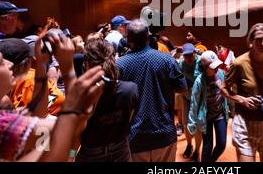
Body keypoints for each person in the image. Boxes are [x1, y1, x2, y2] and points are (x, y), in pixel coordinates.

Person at [0, 32, 106, 161]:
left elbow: (38, 114)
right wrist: (68, 69)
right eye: (1, 62)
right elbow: (69, 129)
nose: (10, 65)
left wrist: (41, 65)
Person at [117, 19, 187, 162]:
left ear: (128, 40)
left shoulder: (120, 65)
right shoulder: (167, 59)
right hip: (164, 134)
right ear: (148, 37)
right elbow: (182, 87)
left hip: (134, 137)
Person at [221, 23, 263, 162]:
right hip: (245, 122)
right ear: (251, 42)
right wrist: (241, 100)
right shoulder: (239, 63)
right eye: (259, 39)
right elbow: (223, 88)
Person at [76, 39, 138, 162]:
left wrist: (72, 154)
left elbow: (76, 135)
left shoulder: (81, 94)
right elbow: (129, 120)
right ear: (114, 59)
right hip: (120, 149)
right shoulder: (131, 89)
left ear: (87, 64)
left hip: (90, 153)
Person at [188, 51, 229, 162]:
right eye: (213, 67)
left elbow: (228, 91)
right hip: (205, 117)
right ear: (205, 67)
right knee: (207, 146)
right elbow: (194, 103)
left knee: (221, 144)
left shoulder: (221, 73)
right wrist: (192, 123)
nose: (216, 68)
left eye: (217, 65)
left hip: (220, 114)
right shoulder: (199, 81)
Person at [178, 43, 202, 160]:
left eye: (190, 55)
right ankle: (189, 145)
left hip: (199, 99)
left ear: (194, 53)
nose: (187, 58)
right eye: (185, 55)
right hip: (186, 97)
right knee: (186, 123)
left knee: (197, 125)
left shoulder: (201, 62)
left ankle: (197, 151)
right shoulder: (181, 63)